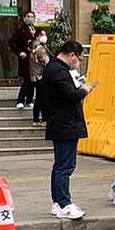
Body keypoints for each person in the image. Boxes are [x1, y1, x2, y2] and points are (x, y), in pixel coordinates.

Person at [40, 40, 91, 220]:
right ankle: (64, 203)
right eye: (79, 58)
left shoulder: (53, 68)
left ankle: (57, 203)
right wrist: (84, 90)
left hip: (59, 123)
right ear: (72, 55)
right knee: (65, 166)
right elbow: (70, 96)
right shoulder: (59, 71)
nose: (79, 61)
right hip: (65, 124)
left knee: (59, 165)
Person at [9, 11, 37, 109]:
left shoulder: (36, 30)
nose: (30, 18)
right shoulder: (21, 30)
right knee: (27, 79)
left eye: (32, 16)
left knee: (33, 80)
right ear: (24, 18)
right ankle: (20, 100)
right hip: (26, 59)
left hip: (36, 59)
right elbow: (12, 42)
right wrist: (20, 52)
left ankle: (29, 100)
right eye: (28, 16)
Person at [29, 31, 51, 126]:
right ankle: (44, 119)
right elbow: (45, 61)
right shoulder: (40, 49)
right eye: (42, 34)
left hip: (35, 75)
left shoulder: (33, 48)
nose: (44, 36)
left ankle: (36, 119)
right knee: (43, 98)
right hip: (41, 76)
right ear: (38, 36)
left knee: (39, 98)